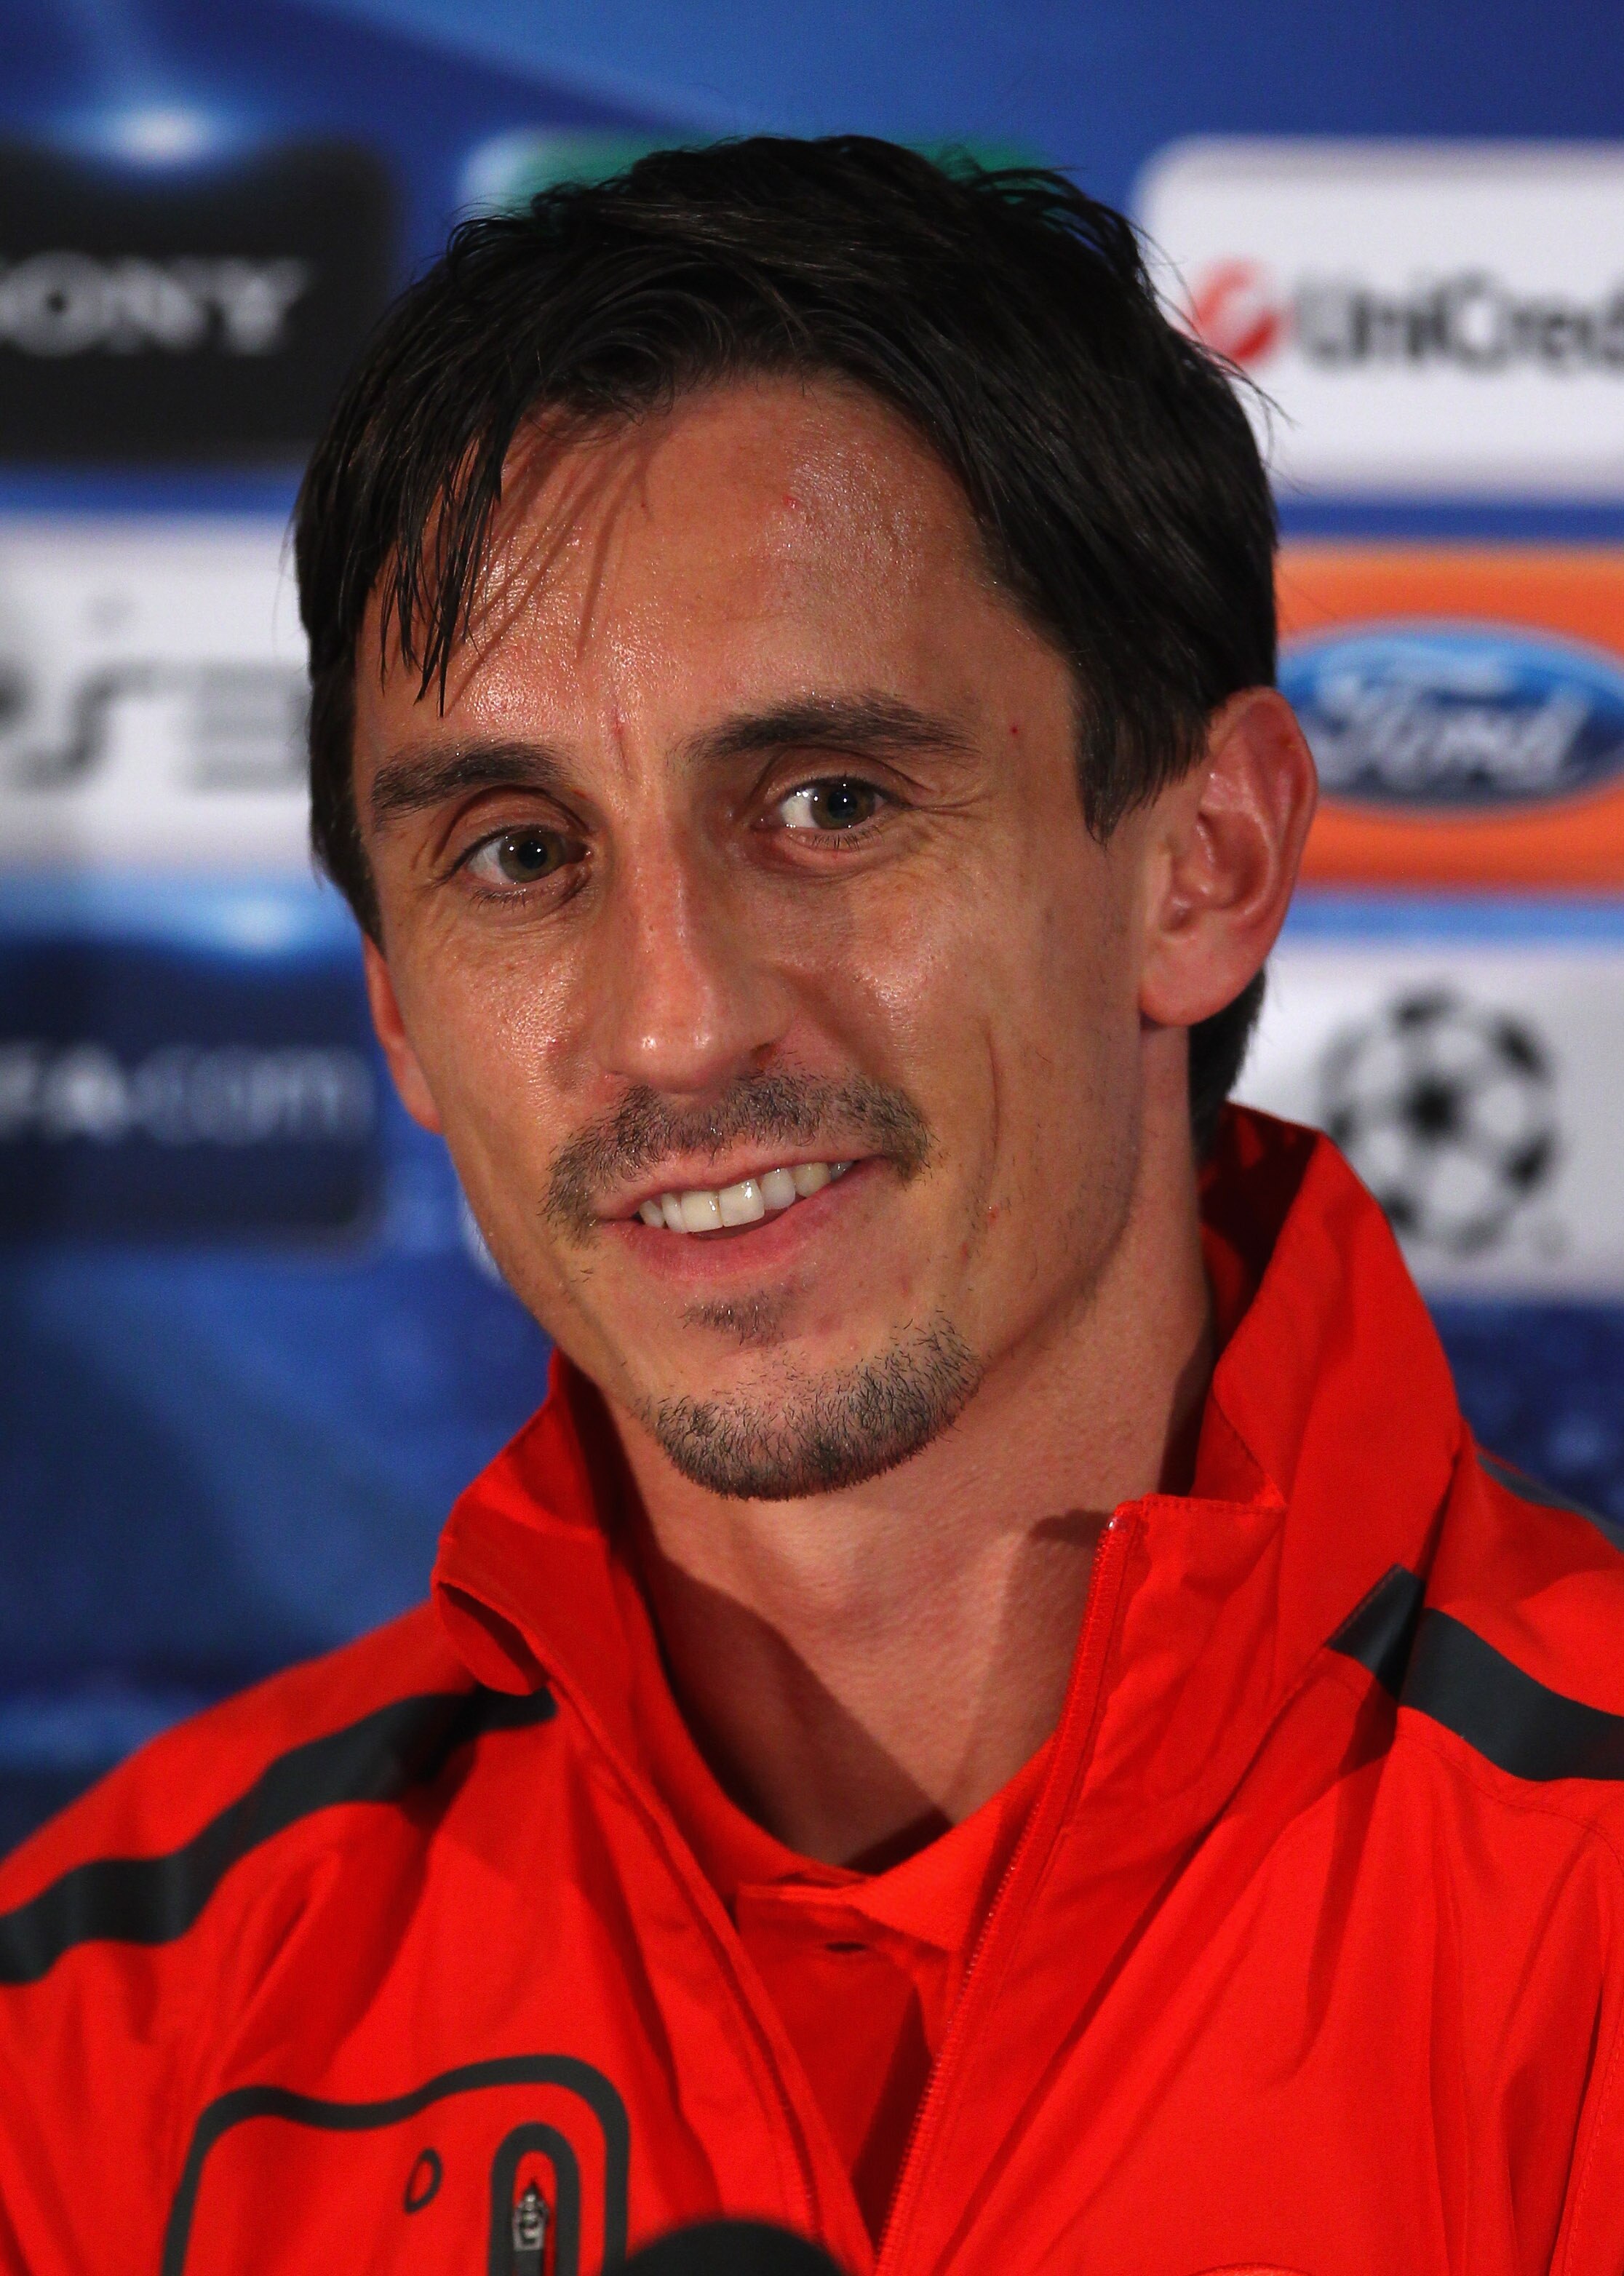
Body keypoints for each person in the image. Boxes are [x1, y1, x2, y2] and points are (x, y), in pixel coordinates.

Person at [1, 136, 1622, 2276]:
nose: (675, 1028)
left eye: (831, 804)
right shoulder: (111, 2019)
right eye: (516, 852)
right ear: (399, 1014)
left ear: (1203, 859)